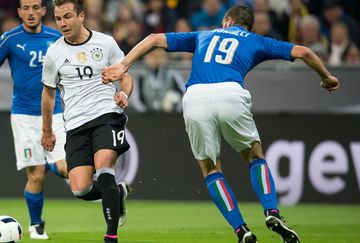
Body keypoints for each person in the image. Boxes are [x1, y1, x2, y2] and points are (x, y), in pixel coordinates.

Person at [102, 4, 339, 243]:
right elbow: (304, 52)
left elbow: (153, 38)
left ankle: (241, 230)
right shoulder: (256, 40)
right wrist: (326, 77)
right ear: (246, 26)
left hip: (195, 97)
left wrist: (123, 65)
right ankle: (271, 212)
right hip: (231, 94)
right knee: (255, 157)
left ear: (226, 21)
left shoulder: (203, 35)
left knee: (211, 169)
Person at [40, 1, 133, 242]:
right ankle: (117, 192)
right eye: (59, 18)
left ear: (81, 15)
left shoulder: (106, 43)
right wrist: (47, 131)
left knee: (104, 169)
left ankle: (110, 236)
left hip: (106, 115)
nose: (63, 23)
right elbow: (48, 94)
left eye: (68, 16)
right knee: (80, 188)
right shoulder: (54, 53)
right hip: (75, 125)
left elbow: (126, 77)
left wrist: (123, 93)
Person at [0, 0, 68, 240]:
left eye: (35, 7)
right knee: (36, 175)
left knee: (64, 168)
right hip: (24, 116)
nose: (30, 12)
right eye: (25, 8)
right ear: (19, 12)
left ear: (42, 11)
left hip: (55, 112)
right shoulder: (10, 38)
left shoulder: (56, 38)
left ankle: (103, 188)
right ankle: (36, 226)